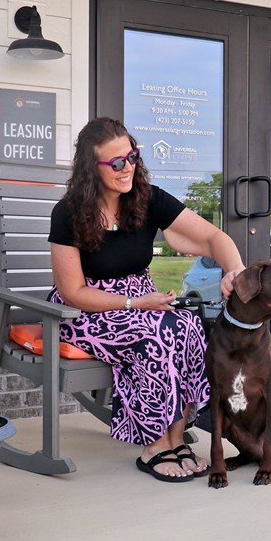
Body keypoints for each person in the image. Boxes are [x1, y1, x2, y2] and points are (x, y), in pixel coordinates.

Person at [48, 117, 244, 483]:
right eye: (117, 163)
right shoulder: (69, 213)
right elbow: (74, 292)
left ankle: (175, 437)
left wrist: (235, 270)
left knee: (186, 326)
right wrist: (131, 305)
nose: (128, 169)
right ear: (92, 169)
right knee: (154, 334)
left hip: (143, 301)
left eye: (133, 157)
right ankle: (155, 444)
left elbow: (214, 238)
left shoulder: (148, 198)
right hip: (85, 311)